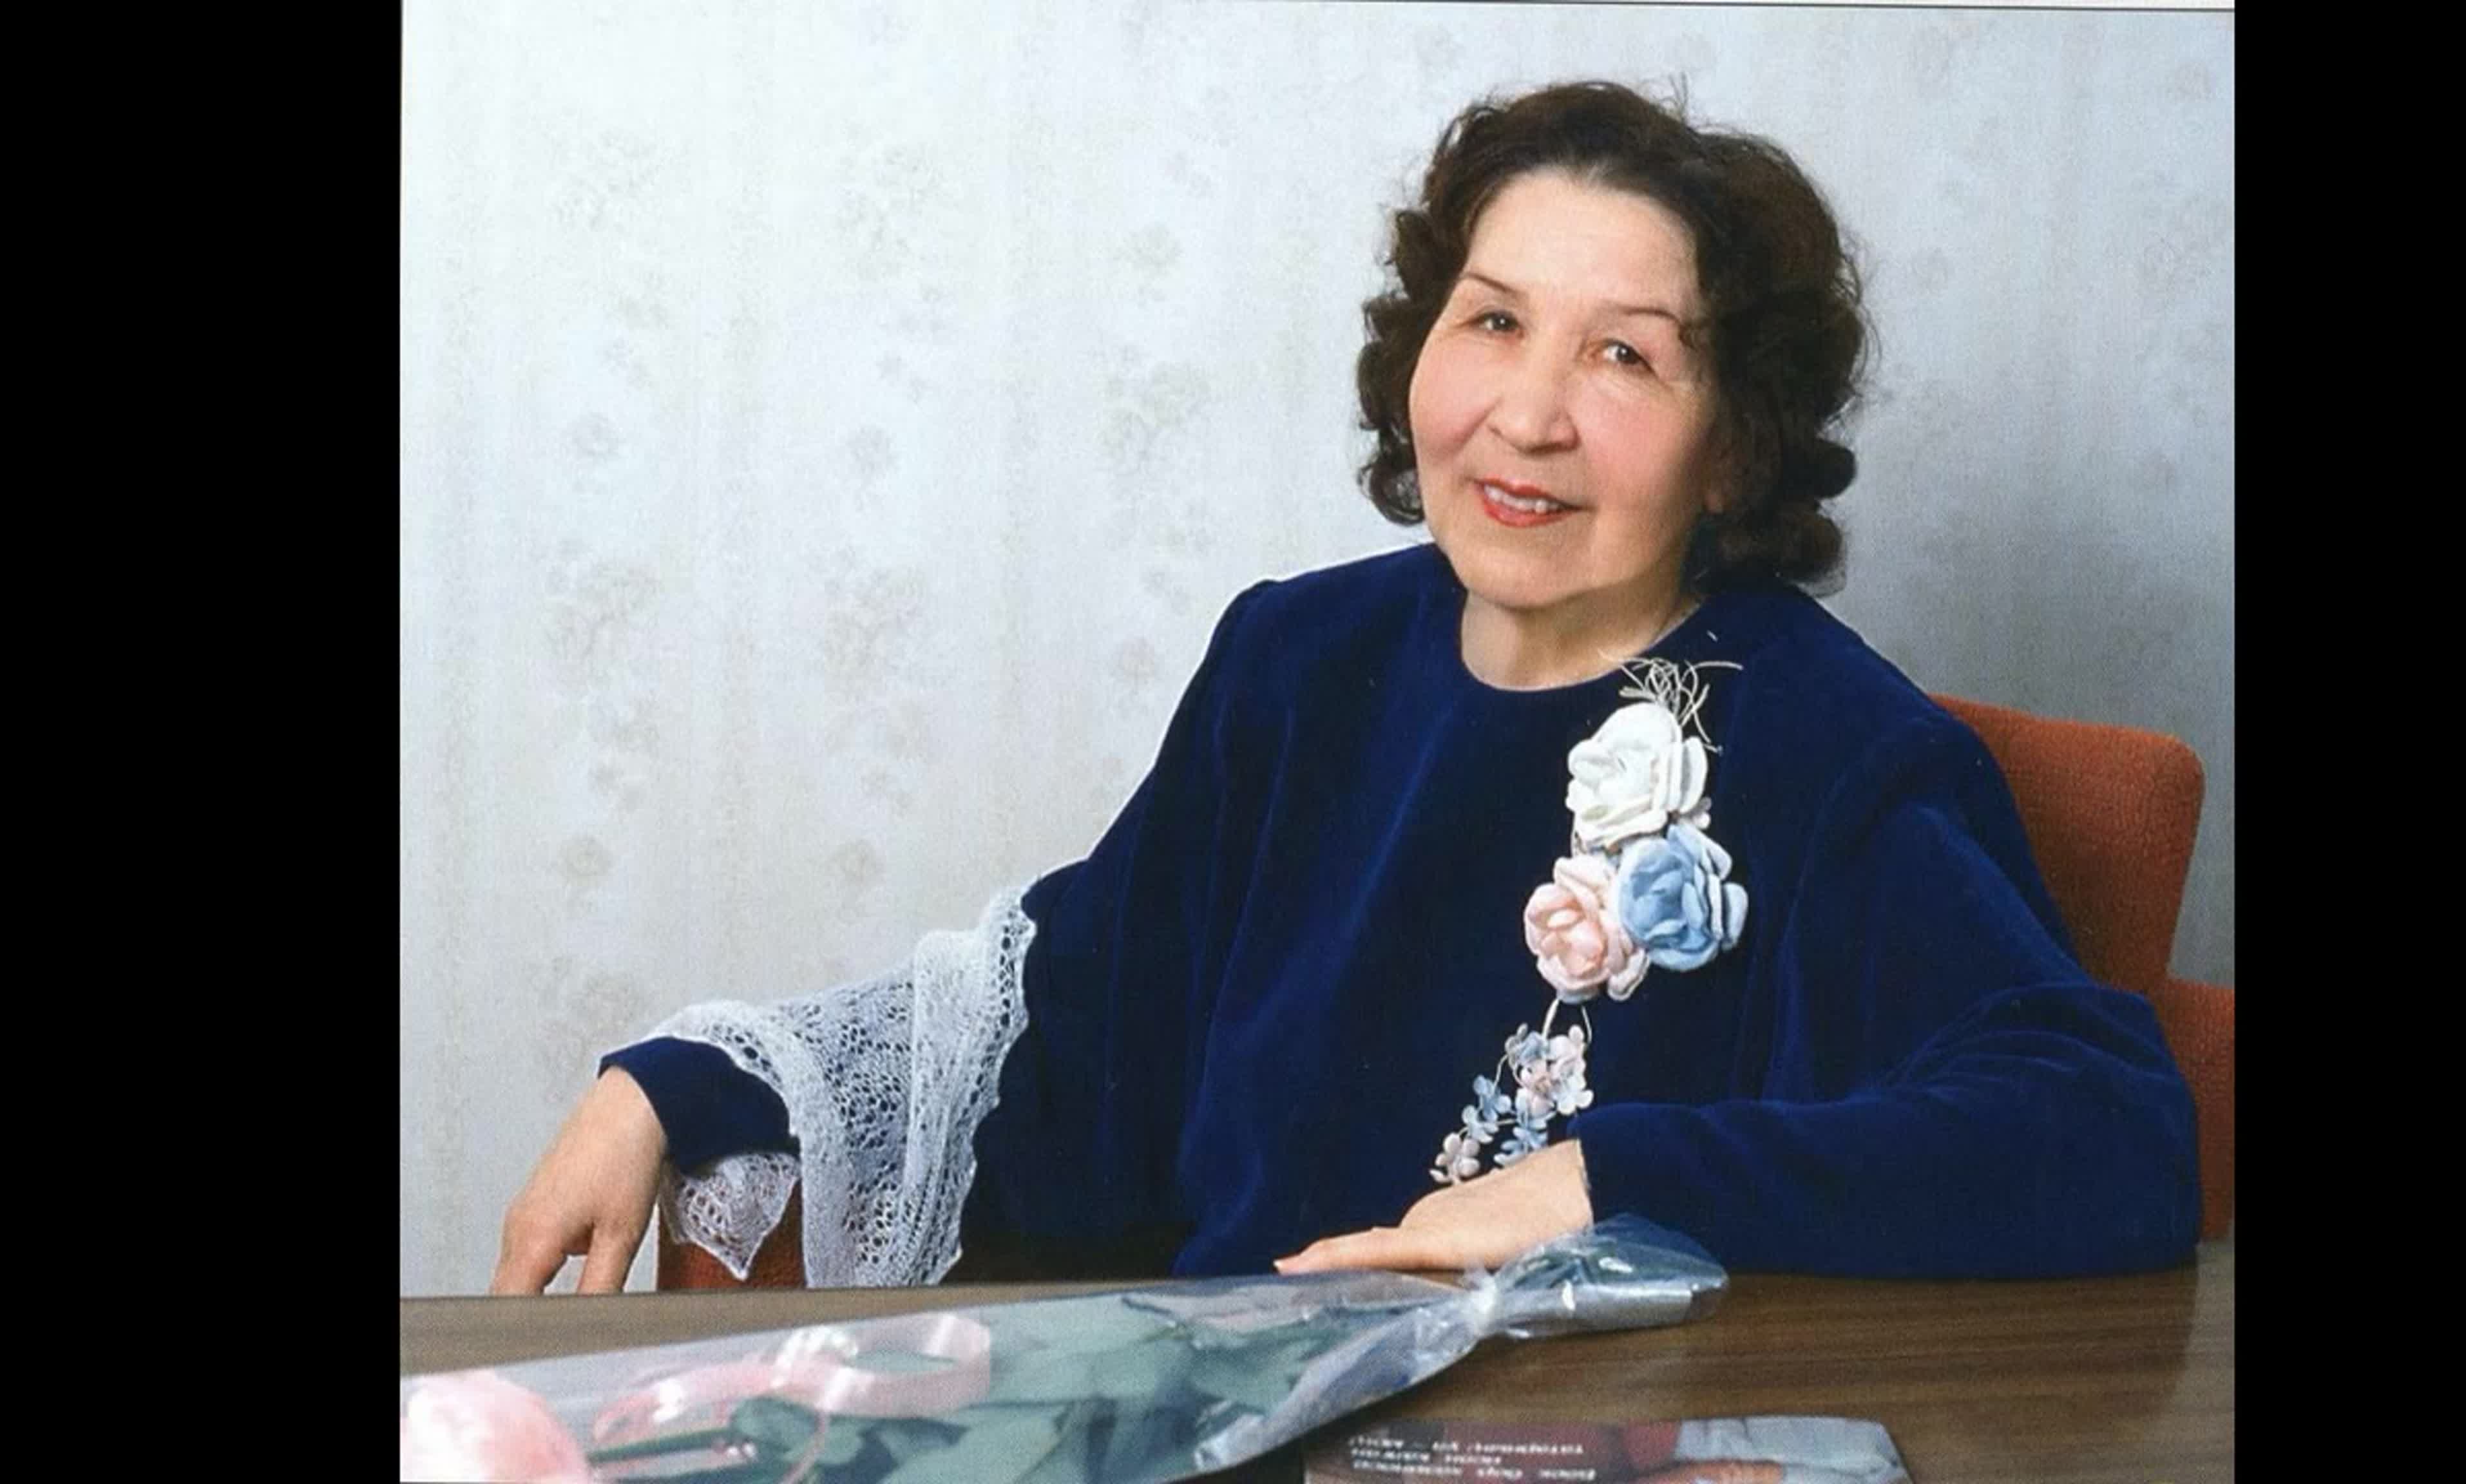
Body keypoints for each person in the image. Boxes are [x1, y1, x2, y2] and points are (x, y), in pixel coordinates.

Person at [494, 80, 2200, 1296]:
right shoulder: (1296, 660)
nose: (1526, 415)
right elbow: (1080, 1022)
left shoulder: (1828, 745)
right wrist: (678, 1083)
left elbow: (2107, 1132)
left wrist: (1602, 1178)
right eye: (1493, 322)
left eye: (1623, 354)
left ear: (1736, 443)